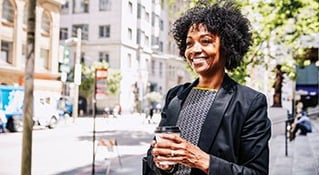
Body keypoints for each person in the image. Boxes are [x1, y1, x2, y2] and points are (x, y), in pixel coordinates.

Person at [145, 1, 271, 175]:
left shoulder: (250, 103)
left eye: (206, 41)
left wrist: (203, 161)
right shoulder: (176, 96)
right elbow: (153, 154)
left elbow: (256, 172)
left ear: (227, 45)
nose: (195, 50)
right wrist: (160, 162)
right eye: (189, 43)